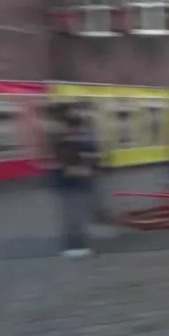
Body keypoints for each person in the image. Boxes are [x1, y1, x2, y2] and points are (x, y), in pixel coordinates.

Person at [52, 109, 100, 257]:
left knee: (76, 216)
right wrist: (87, 171)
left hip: (76, 185)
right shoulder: (68, 143)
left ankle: (76, 243)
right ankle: (74, 246)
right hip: (74, 185)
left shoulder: (68, 142)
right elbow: (67, 167)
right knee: (74, 217)